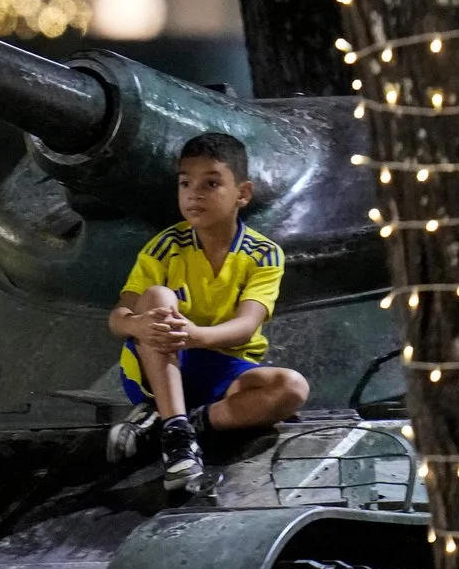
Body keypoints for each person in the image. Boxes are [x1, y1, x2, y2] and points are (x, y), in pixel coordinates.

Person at [106, 131, 309, 487]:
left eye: (211, 183)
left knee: (292, 388)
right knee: (157, 297)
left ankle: (184, 422)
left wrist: (196, 336)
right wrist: (138, 326)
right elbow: (118, 317)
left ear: (242, 194)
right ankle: (177, 438)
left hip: (223, 367)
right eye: (186, 183)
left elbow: (246, 326)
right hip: (161, 363)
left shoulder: (263, 254)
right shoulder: (165, 247)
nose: (194, 193)